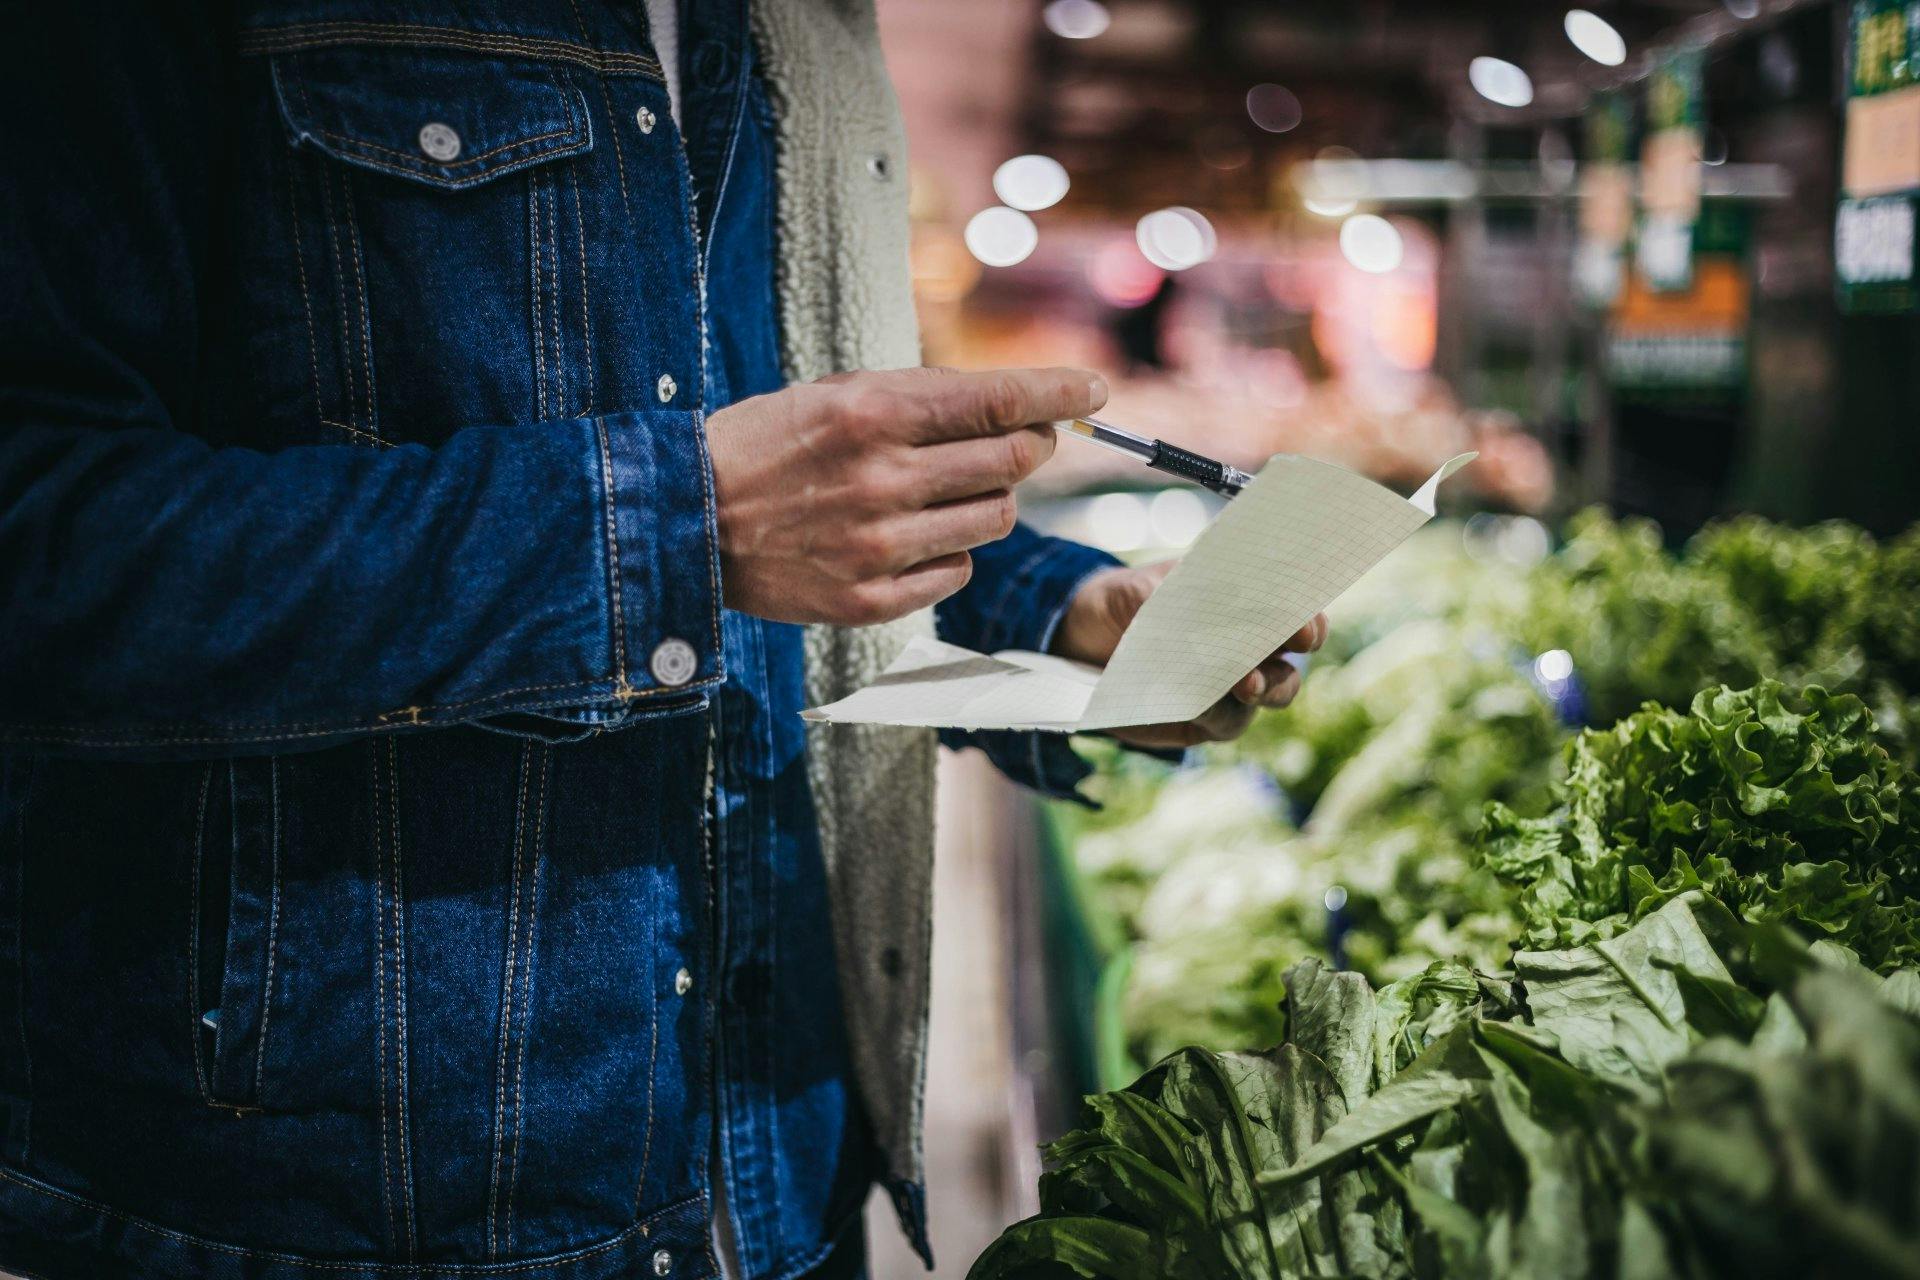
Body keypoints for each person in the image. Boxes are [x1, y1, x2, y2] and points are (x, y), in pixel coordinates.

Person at [0, 4, 1322, 1277]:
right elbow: (46, 539)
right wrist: (671, 523)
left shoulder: (792, 30)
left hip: (781, 1168)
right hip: (364, 1205)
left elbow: (786, 482)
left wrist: (1059, 610)